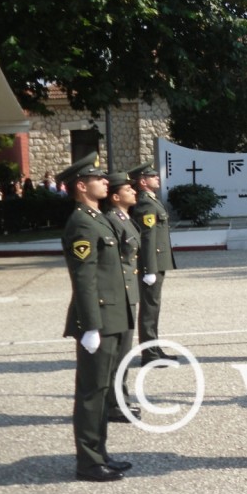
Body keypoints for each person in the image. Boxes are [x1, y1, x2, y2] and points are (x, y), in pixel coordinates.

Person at [58, 153, 136, 482]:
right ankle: (88, 462)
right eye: (98, 178)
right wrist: (90, 325)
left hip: (114, 316)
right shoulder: (81, 223)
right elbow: (84, 277)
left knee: (104, 390)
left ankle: (100, 452)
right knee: (91, 392)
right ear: (81, 185)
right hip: (99, 320)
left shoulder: (98, 218)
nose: (107, 181)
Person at [100, 172, 142, 422]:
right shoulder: (112, 221)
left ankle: (119, 399)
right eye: (128, 189)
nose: (134, 192)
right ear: (116, 197)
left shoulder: (124, 218)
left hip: (128, 292)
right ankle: (115, 404)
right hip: (119, 293)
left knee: (124, 351)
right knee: (118, 353)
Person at [128, 161, 177, 365]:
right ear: (142, 181)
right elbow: (147, 238)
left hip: (156, 263)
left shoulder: (151, 200)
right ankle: (149, 353)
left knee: (153, 308)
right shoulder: (146, 203)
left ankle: (153, 348)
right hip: (152, 264)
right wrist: (149, 268)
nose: (157, 178)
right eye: (152, 176)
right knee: (149, 309)